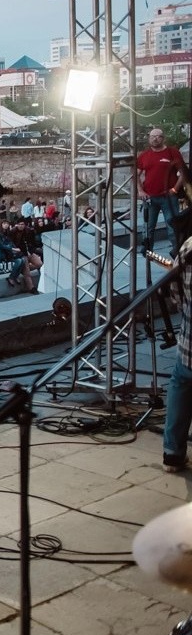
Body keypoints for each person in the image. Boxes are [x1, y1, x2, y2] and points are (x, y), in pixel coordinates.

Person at [162, 233, 192, 473]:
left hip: (189, 345)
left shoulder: (189, 246)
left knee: (181, 385)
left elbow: (175, 291)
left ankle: (172, 452)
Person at [137, 127, 188, 253]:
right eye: (152, 136)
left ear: (163, 138)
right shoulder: (144, 155)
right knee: (148, 227)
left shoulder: (172, 152)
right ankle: (148, 252)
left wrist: (175, 189)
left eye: (158, 136)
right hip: (150, 197)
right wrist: (140, 191)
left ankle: (178, 254)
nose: (155, 139)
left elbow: (183, 173)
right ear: (149, 138)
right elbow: (135, 175)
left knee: (172, 227)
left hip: (169, 198)